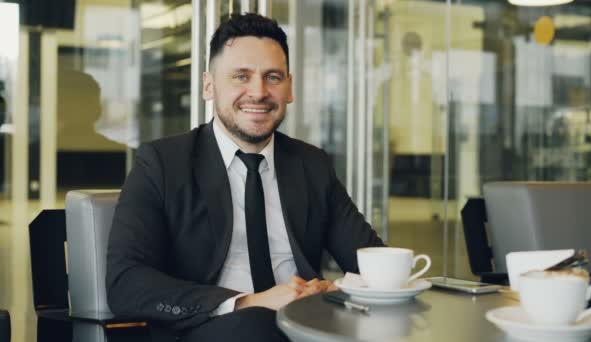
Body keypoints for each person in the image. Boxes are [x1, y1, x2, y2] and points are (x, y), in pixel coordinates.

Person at [106, 13, 384, 342]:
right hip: (211, 330)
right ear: (208, 85)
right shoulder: (163, 164)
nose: (259, 92)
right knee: (257, 327)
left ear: (290, 88)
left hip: (306, 326)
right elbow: (125, 282)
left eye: (273, 77)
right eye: (241, 76)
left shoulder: (312, 164)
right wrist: (249, 303)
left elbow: (373, 263)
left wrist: (332, 290)